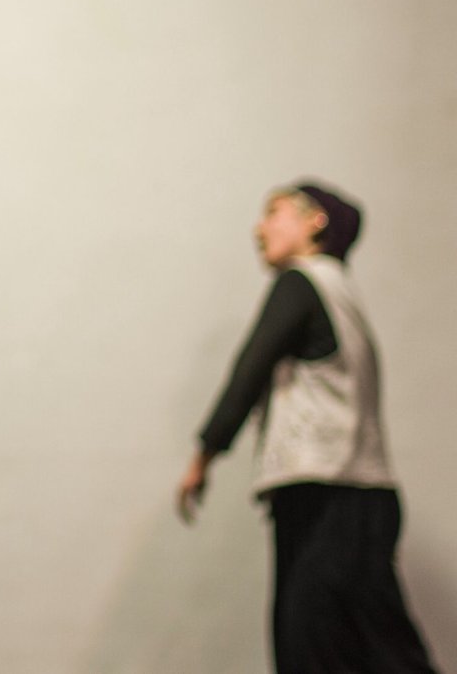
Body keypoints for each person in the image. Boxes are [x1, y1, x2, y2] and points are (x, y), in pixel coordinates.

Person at [177, 182, 439, 674]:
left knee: (318, 646)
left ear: (314, 220)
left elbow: (249, 369)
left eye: (273, 213)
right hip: (363, 496)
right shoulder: (343, 294)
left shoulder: (301, 283)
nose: (260, 228)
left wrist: (204, 455)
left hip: (326, 496)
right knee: (365, 642)